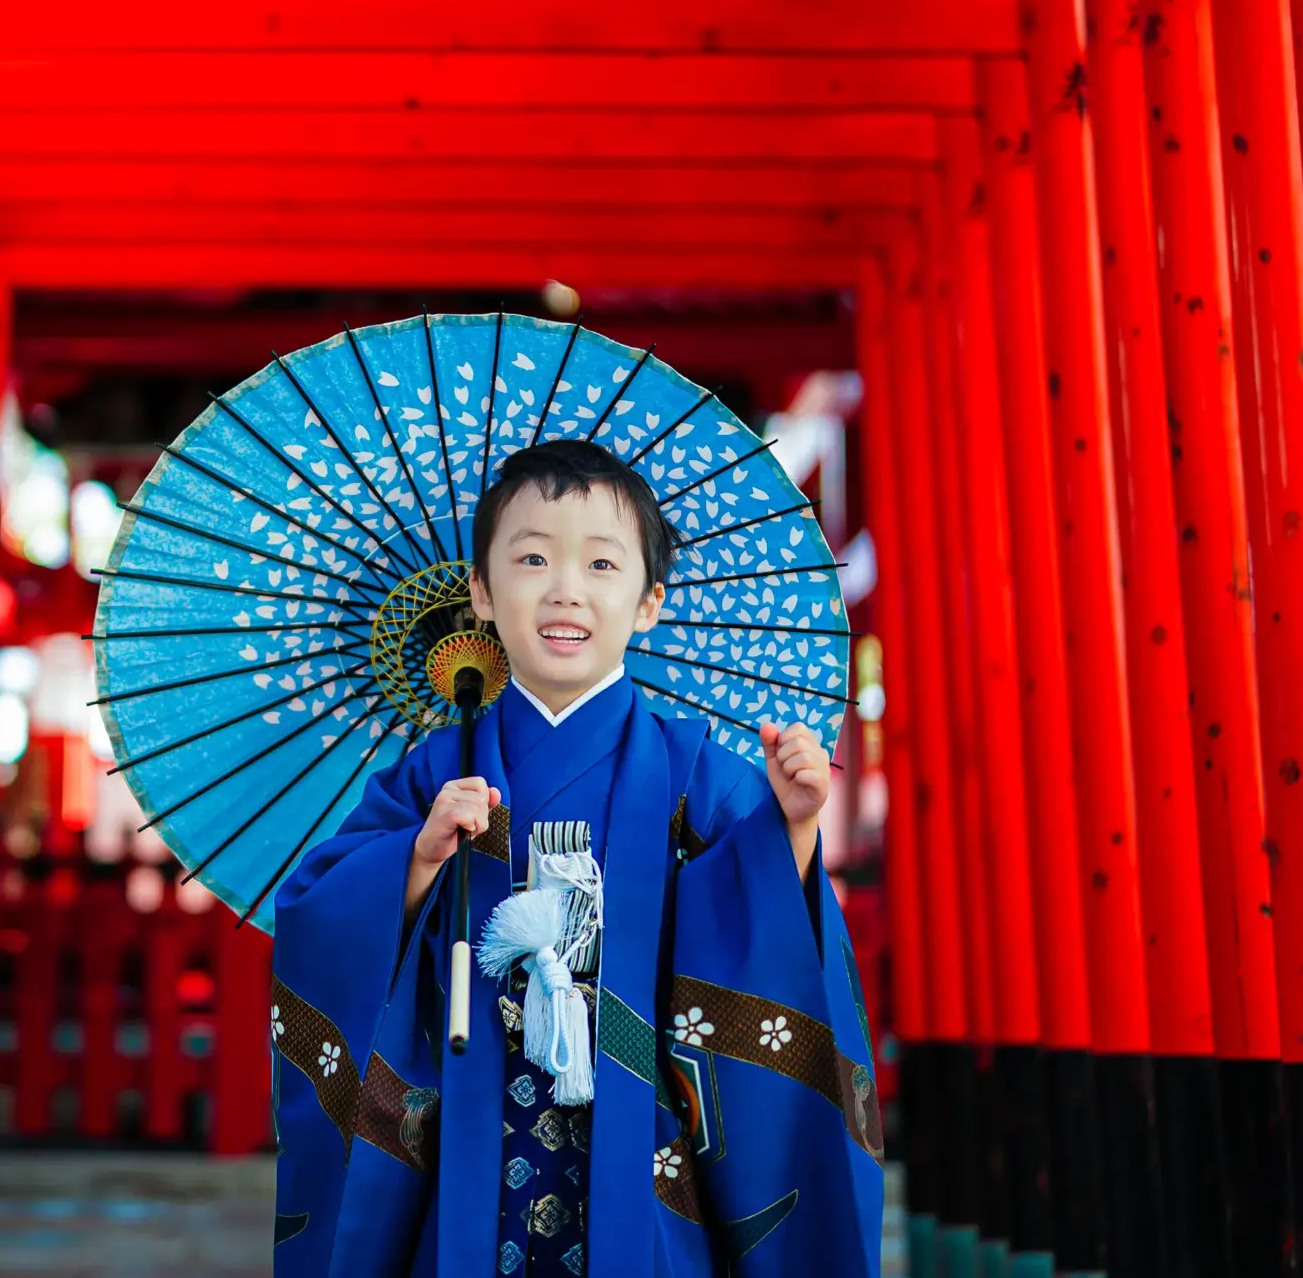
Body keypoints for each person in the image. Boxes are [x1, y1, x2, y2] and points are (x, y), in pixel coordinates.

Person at [268, 440, 882, 1278]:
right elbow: (318, 911)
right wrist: (415, 861)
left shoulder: (697, 767)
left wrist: (794, 832)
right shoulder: (435, 771)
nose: (565, 588)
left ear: (649, 602)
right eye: (530, 558)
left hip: (647, 1138)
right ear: (482, 592)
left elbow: (767, 915)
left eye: (601, 562)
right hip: (470, 1128)